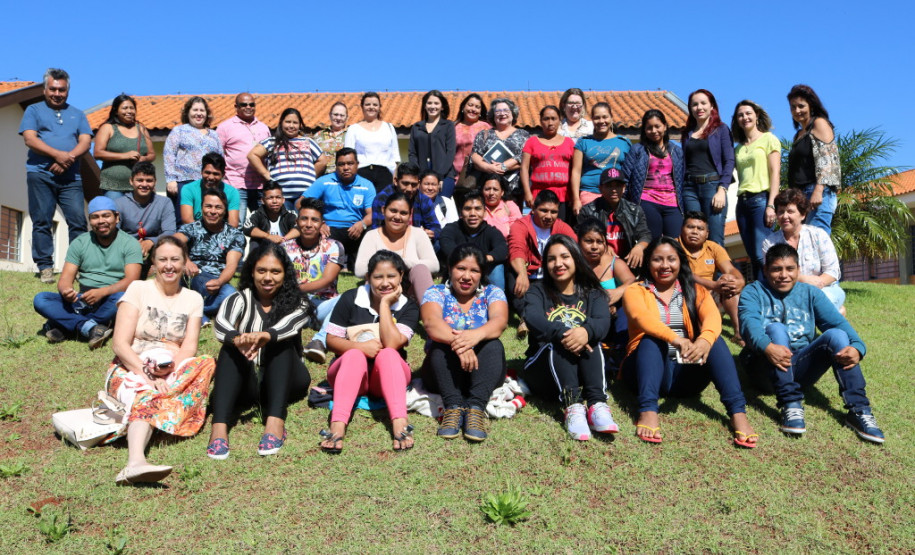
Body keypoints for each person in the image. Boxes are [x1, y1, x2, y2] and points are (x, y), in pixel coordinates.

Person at [739, 244, 884, 443]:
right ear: (765, 270)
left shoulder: (810, 293)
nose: (784, 275)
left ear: (798, 270)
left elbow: (840, 323)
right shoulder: (753, 291)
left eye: (790, 269)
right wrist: (767, 347)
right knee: (776, 329)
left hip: (798, 368)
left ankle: (859, 411)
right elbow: (749, 325)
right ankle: (790, 404)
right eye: (776, 269)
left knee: (836, 335)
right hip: (763, 368)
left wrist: (859, 348)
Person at [621, 237, 757, 447]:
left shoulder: (694, 289)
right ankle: (648, 411)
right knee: (651, 338)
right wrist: (676, 340)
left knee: (715, 340)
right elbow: (642, 319)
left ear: (680, 262)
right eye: (658, 260)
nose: (665, 265)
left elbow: (713, 317)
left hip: (685, 375)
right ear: (648, 263)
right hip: (645, 371)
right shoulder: (635, 290)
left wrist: (703, 340)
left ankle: (738, 414)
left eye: (671, 259)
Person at [107, 236, 215, 485]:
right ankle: (135, 462)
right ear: (153, 263)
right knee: (147, 394)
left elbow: (190, 345)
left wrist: (169, 370)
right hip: (132, 366)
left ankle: (162, 402)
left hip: (172, 366)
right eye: (163, 259)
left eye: (175, 259)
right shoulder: (138, 289)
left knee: (206, 362)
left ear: (184, 262)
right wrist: (147, 375)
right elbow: (120, 344)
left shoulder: (193, 298)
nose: (169, 265)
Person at [207, 243, 314, 459]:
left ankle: (275, 423)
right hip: (248, 385)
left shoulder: (298, 301)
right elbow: (221, 324)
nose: (268, 278)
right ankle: (218, 430)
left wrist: (265, 336)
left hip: (288, 381)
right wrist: (237, 339)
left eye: (275, 272)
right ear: (251, 272)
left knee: (280, 342)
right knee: (229, 349)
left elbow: (293, 323)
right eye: (261, 271)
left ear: (285, 274)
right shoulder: (239, 299)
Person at [319, 251, 420, 453]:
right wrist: (360, 348)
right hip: (348, 373)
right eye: (378, 277)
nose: (385, 283)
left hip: (385, 378)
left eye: (391, 276)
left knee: (388, 354)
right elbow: (331, 341)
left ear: (401, 276)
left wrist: (385, 305)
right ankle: (337, 425)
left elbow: (392, 344)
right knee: (355, 356)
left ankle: (400, 423)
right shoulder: (351, 298)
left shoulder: (409, 307)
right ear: (368, 278)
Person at [521, 235, 616, 441]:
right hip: (543, 372)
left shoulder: (594, 293)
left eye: (565, 256)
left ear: (576, 258)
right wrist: (566, 334)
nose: (558, 263)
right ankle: (573, 406)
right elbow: (533, 318)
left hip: (581, 369)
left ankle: (597, 405)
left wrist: (585, 333)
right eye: (551, 259)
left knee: (591, 338)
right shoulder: (537, 290)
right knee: (561, 340)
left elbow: (603, 323)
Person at [420, 245, 509, 442]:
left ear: (482, 273)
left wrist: (475, 336)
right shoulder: (436, 292)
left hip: (482, 368)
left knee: (494, 345)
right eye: (461, 268)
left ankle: (475, 408)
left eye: (474, 270)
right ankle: (453, 406)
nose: (467, 276)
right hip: (443, 371)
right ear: (450, 268)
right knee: (438, 346)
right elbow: (431, 323)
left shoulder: (492, 293)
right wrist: (461, 344)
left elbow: (499, 322)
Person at [33, 197, 142, 348]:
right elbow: (65, 278)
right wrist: (65, 291)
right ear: (90, 220)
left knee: (124, 298)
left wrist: (102, 292)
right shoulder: (80, 242)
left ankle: (65, 325)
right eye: (95, 217)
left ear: (116, 218)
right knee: (41, 299)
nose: (101, 221)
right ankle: (91, 327)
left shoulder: (130, 244)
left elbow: (132, 281)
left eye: (106, 215)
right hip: (82, 299)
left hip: (111, 298)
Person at [19, 68, 92, 283]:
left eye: (62, 90)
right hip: (39, 174)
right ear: (45, 89)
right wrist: (58, 155)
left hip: (71, 178)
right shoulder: (33, 110)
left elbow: (86, 141)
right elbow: (30, 139)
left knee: (78, 221)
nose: (57, 94)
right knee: (42, 220)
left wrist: (67, 159)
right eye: (53, 89)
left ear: (67, 90)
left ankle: (77, 267)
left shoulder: (77, 114)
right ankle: (45, 267)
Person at [761, 189, 845, 312]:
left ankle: (835, 313)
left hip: (824, 289)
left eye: (790, 211)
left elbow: (833, 271)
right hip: (787, 291)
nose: (785, 216)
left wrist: (817, 284)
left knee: (822, 302)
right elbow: (771, 274)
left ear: (802, 215)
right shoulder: (769, 243)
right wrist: (802, 279)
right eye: (781, 212)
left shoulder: (818, 235)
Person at [284, 197, 345, 364]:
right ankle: (290, 351)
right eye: (304, 218)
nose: (309, 224)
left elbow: (326, 281)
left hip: (323, 306)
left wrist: (293, 288)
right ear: (297, 221)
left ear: (322, 224)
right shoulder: (284, 248)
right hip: (293, 305)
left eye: (314, 220)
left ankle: (318, 342)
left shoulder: (333, 246)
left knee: (349, 298)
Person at [507, 190, 577, 337]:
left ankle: (530, 319)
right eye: (543, 210)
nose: (548, 216)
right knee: (515, 280)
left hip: (551, 277)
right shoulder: (520, 225)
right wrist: (522, 274)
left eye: (553, 212)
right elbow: (516, 249)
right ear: (533, 209)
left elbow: (576, 248)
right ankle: (525, 317)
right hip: (527, 273)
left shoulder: (561, 227)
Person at [174, 188, 246, 324]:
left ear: (225, 210)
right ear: (202, 208)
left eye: (218, 207)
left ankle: (190, 310)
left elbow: (231, 265)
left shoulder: (235, 235)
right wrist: (187, 261)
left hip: (215, 282)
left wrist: (219, 282)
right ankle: (195, 310)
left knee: (231, 295)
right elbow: (173, 242)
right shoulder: (191, 228)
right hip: (190, 276)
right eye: (208, 206)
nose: (212, 211)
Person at [297, 148, 374, 272]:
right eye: (341, 164)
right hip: (329, 229)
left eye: (350, 163)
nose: (346, 167)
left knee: (371, 231)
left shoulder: (367, 185)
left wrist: (362, 224)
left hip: (355, 229)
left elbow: (371, 214)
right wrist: (319, 223)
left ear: (357, 165)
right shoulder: (324, 181)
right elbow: (299, 203)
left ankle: (362, 268)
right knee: (312, 228)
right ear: (336, 166)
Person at [356, 192, 439, 302]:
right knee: (374, 275)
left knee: (420, 270)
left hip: (412, 293)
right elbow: (359, 270)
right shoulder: (372, 236)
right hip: (382, 293)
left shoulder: (418, 233)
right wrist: (388, 267)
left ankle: (431, 314)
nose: (397, 217)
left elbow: (434, 265)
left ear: (410, 215)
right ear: (383, 210)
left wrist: (405, 263)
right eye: (393, 211)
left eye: (403, 213)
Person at [678, 211, 746, 346]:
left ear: (707, 233)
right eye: (690, 227)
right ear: (682, 229)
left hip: (711, 296)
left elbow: (730, 269)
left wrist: (740, 281)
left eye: (700, 228)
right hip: (685, 296)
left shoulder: (713, 247)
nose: (695, 232)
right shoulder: (674, 246)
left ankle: (739, 333)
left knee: (728, 280)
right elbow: (684, 275)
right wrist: (714, 285)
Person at [577, 217, 636, 366]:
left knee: (625, 310)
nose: (594, 246)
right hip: (585, 318)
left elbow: (633, 282)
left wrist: (617, 292)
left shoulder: (614, 263)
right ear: (579, 242)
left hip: (613, 318)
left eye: (599, 242)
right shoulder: (574, 264)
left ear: (605, 243)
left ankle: (620, 355)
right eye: (589, 241)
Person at [732, 100, 781, 281]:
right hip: (742, 203)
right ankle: (760, 298)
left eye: (748, 113)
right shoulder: (738, 148)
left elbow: (775, 173)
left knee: (764, 254)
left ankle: (773, 294)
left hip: (761, 200)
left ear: (757, 115)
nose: (745, 117)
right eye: (740, 115)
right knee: (752, 255)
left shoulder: (769, 139)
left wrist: (771, 205)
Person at [622, 109, 685, 240]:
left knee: (675, 244)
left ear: (665, 126)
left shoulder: (676, 151)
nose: (654, 131)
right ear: (644, 130)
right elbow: (625, 178)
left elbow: (682, 179)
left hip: (672, 203)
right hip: (647, 201)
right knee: (652, 242)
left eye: (657, 126)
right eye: (649, 128)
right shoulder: (637, 150)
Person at [681, 89, 735, 246]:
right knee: (693, 239)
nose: (699, 107)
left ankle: (719, 272)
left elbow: (729, 160)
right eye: (695, 104)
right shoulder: (687, 133)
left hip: (712, 186)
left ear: (712, 106)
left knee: (715, 240)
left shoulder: (721, 130)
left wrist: (722, 189)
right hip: (689, 189)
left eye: (703, 103)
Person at [787, 84, 840, 233]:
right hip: (800, 197)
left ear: (811, 105)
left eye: (801, 106)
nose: (797, 111)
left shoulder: (819, 124)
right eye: (793, 107)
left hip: (817, 192)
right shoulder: (798, 135)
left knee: (817, 241)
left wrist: (819, 189)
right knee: (805, 245)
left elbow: (829, 158)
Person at [247, 107, 326, 208]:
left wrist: (309, 175)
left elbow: (322, 161)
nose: (291, 126)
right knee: (283, 223)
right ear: (281, 123)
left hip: (304, 195)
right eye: (288, 122)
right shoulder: (271, 142)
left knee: (303, 222)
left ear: (300, 125)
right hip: (280, 197)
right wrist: (266, 174)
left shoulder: (308, 141)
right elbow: (252, 155)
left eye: (295, 123)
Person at [579, 167, 652, 269]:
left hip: (627, 262)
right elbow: (580, 237)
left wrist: (639, 247)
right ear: (600, 188)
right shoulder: (588, 211)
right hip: (598, 262)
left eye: (618, 186)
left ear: (624, 188)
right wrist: (603, 247)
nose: (614, 190)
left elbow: (645, 234)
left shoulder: (635, 210)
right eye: (609, 186)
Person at [216, 93, 271, 225]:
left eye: (251, 104)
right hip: (235, 184)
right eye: (244, 104)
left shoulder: (264, 128)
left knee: (264, 225)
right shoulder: (224, 127)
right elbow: (217, 156)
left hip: (260, 185)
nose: (248, 107)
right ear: (236, 106)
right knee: (236, 224)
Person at [163, 96, 222, 219]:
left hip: (208, 183)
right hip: (183, 182)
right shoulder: (179, 131)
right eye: (195, 110)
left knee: (205, 217)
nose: (199, 114)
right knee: (183, 218)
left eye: (202, 110)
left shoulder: (214, 135)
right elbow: (169, 154)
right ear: (188, 112)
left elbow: (221, 159)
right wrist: (171, 180)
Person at [115, 162, 176, 278]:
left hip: (155, 249)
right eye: (140, 180)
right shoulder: (119, 203)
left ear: (155, 182)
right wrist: (132, 245)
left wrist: (151, 242)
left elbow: (170, 231)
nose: (144, 184)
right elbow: (114, 233)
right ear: (131, 181)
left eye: (149, 180)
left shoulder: (165, 203)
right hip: (125, 249)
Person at [571, 102, 631, 218]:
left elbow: (628, 172)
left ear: (611, 118)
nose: (601, 121)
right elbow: (576, 172)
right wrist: (576, 199)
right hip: (589, 194)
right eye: (597, 117)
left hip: (616, 195)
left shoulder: (624, 143)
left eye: (605, 117)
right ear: (592, 120)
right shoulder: (583, 142)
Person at [439, 190, 509, 291]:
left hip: (483, 274)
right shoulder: (451, 229)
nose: (473, 213)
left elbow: (502, 248)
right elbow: (447, 246)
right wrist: (471, 261)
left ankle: (496, 301)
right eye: (467, 209)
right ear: (461, 212)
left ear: (484, 212)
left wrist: (485, 258)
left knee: (497, 268)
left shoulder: (491, 231)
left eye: (477, 209)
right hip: (458, 277)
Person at [93, 93, 155, 199]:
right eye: (125, 108)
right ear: (116, 111)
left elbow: (152, 154)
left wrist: (144, 158)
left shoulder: (141, 128)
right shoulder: (108, 128)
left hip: (139, 186)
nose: (129, 111)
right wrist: (125, 155)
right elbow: (97, 153)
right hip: (113, 186)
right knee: (116, 214)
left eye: (132, 108)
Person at [520, 105, 575, 218]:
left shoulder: (569, 143)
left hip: (564, 196)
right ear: (540, 121)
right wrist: (527, 192)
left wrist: (574, 196)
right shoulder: (532, 142)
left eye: (554, 118)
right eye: (546, 119)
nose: (550, 123)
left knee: (561, 232)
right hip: (538, 195)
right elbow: (524, 168)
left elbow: (575, 170)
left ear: (560, 120)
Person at [470, 98, 530, 199]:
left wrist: (504, 166)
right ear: (493, 115)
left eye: (506, 110)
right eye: (498, 111)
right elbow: (475, 155)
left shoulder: (524, 135)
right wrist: (489, 167)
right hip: (487, 190)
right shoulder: (483, 134)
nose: (502, 114)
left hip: (514, 190)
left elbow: (525, 157)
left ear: (513, 113)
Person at [370, 163, 442, 242]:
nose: (409, 189)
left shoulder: (424, 200)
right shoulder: (382, 199)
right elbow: (377, 229)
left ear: (418, 183)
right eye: (405, 183)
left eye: (414, 185)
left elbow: (435, 227)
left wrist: (431, 233)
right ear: (396, 181)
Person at [345, 92, 400, 192]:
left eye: (375, 104)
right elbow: (348, 156)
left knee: (383, 205)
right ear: (362, 107)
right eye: (367, 104)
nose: (371, 107)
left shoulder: (389, 127)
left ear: (379, 107)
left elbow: (395, 156)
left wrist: (395, 177)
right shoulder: (353, 129)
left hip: (385, 175)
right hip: (361, 174)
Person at [408, 90, 457, 196]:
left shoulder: (448, 126)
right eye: (429, 103)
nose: (432, 106)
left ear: (442, 106)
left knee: (442, 208)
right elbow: (412, 153)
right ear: (424, 106)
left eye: (436, 103)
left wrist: (439, 177)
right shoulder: (416, 127)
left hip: (444, 176)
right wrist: (419, 175)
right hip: (421, 176)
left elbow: (450, 152)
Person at [179, 152, 240, 227]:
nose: (211, 177)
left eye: (216, 174)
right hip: (194, 232)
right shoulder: (188, 189)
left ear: (223, 175)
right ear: (201, 172)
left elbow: (233, 224)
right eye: (207, 173)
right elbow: (187, 221)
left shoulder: (232, 192)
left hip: (222, 234)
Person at [242, 181, 299, 255]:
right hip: (264, 251)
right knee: (254, 241)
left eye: (278, 197)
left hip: (286, 250)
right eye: (270, 198)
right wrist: (268, 236)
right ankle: (254, 265)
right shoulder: (257, 214)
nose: (274, 201)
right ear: (262, 200)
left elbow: (299, 228)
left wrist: (284, 239)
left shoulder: (290, 214)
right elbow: (247, 228)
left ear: (283, 200)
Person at [452, 94, 490, 194]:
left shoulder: (486, 128)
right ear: (463, 107)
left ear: (481, 112)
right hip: (454, 177)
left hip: (479, 177)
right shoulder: (453, 127)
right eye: (470, 105)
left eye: (477, 107)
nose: (473, 109)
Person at [313, 102, 349, 176]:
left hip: (344, 179)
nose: (338, 118)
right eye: (335, 114)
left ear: (346, 117)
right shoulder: (318, 136)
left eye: (342, 115)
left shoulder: (351, 134)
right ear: (330, 115)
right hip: (322, 178)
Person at [481, 175, 522, 239]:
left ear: (502, 192)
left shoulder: (509, 206)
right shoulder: (477, 206)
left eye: (495, 189)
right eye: (487, 189)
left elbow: (517, 232)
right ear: (482, 191)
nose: (491, 193)